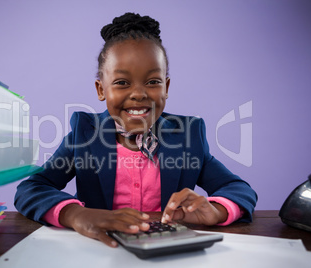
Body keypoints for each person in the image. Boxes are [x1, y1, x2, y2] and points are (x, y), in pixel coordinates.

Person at [15, 12, 257, 248]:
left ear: (166, 87)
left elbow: (239, 189)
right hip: (100, 250)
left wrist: (216, 211)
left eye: (153, 82)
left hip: (167, 251)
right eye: (122, 82)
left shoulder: (188, 136)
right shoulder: (84, 134)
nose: (139, 94)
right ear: (101, 90)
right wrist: (77, 215)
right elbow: (32, 188)